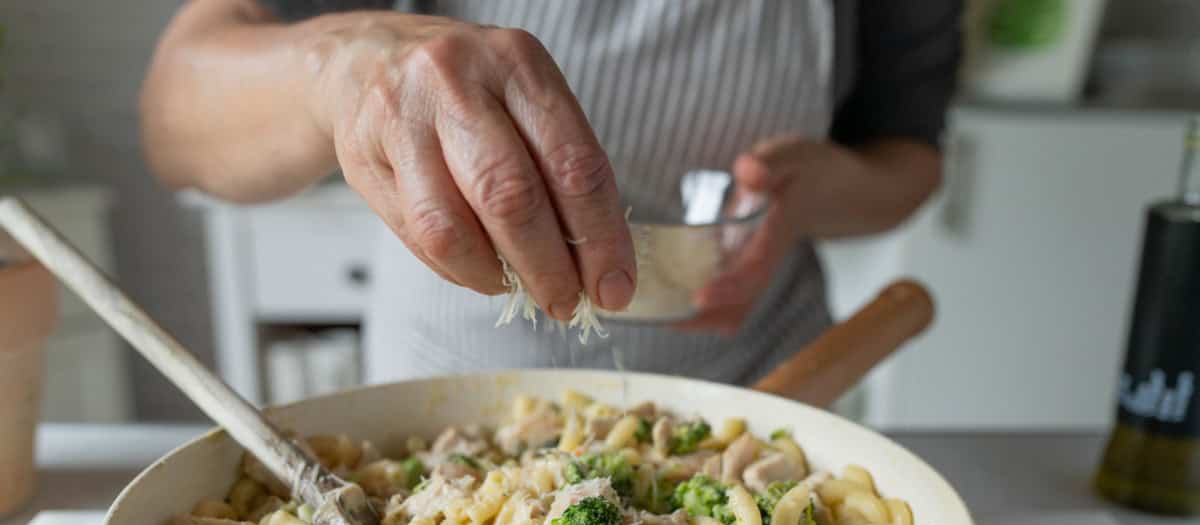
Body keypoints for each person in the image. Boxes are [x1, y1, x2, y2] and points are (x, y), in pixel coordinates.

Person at [142, 1, 962, 384]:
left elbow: (909, 158)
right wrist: (340, 67)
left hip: (760, 380)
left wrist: (815, 195)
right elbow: (173, 115)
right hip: (452, 391)